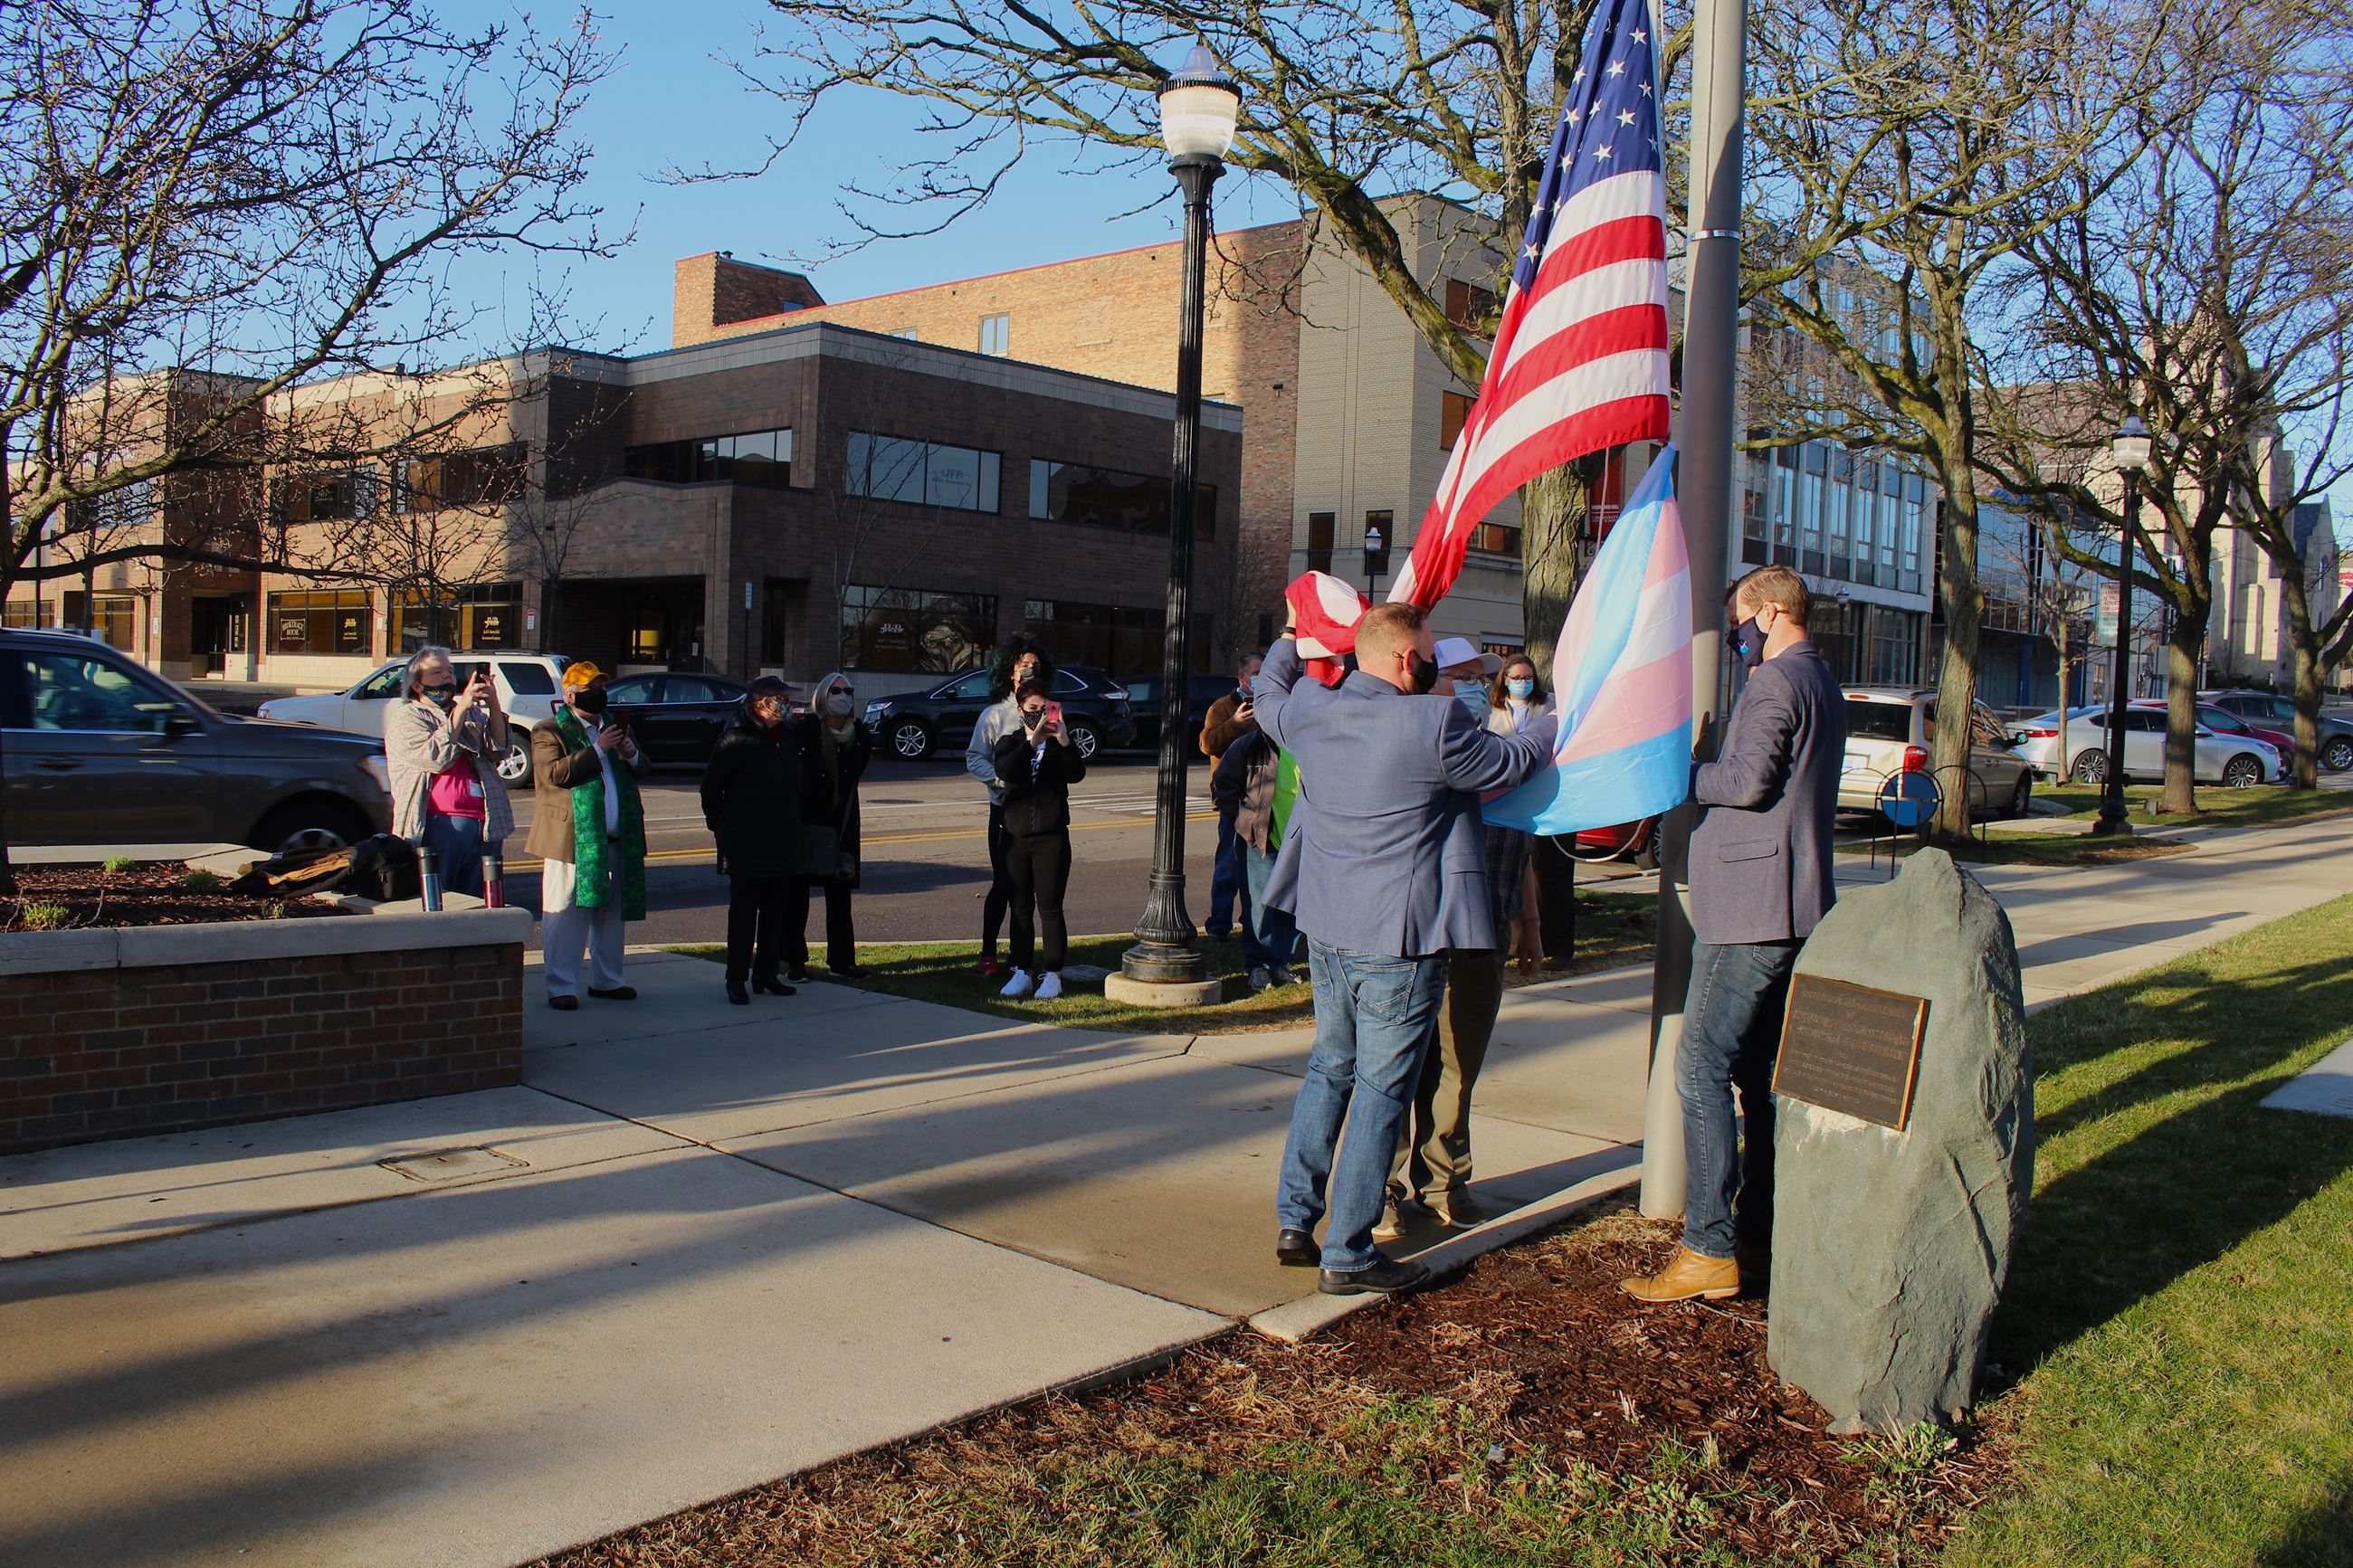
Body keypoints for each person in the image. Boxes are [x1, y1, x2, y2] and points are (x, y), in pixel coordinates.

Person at [1253, 601, 1557, 1297]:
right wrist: (1551, 722)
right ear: (1402, 660)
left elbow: (1268, 688)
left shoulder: (1310, 710)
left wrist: (1291, 636)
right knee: (1382, 1090)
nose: (1433, 664)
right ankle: (1350, 1250)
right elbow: (1513, 758)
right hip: (1400, 941)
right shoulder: (1435, 722)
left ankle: (1296, 1219)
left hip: (1328, 930)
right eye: (1425, 650)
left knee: (1330, 1066)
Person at [1623, 565, 1844, 1304]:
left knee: (1700, 1068)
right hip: (1791, 902)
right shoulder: (1819, 677)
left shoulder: (1777, 682)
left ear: (1773, 612)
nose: (1740, 637)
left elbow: (1749, 781)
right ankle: (1758, 1232)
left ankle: (1710, 1248)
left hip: (1752, 908)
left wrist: (1685, 773)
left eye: (1744, 620)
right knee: (1758, 1076)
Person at [1377, 641, 1539, 1240]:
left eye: (1482, 678)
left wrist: (1530, 921)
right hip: (1417, 930)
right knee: (1397, 1064)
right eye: (1464, 676)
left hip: (1484, 925)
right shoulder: (1409, 743)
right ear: (1426, 679)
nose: (1479, 686)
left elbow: (1522, 839)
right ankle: (1383, 1186)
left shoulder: (1496, 744)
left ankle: (1445, 1179)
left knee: (1459, 1062)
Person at [531, 662, 649, 1011]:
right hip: (572, 840)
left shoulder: (614, 727)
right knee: (566, 914)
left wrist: (630, 754)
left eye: (601, 687)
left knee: (612, 915)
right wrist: (597, 749)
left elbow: (643, 767)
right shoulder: (548, 730)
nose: (598, 694)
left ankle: (608, 980)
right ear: (570, 695)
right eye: (589, 688)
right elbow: (554, 774)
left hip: (616, 838)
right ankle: (562, 986)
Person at [701, 676, 804, 1005]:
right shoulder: (735, 739)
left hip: (782, 836)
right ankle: (736, 977)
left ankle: (766, 973)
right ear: (762, 703)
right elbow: (711, 789)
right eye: (782, 700)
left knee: (775, 912)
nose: (787, 706)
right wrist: (721, 826)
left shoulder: (786, 736)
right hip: (745, 838)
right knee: (744, 913)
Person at [384, 646, 511, 898]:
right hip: (440, 826)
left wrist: (494, 705)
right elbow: (436, 758)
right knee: (441, 903)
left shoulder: (469, 712)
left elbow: (499, 750)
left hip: (486, 824)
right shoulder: (407, 718)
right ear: (417, 686)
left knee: (479, 905)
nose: (448, 677)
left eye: (451, 671)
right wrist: (462, 709)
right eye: (437, 672)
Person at [990, 677, 1085, 1000]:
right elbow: (1006, 769)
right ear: (1021, 711)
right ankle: (1021, 970)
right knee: (1019, 907)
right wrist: (1031, 743)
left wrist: (1064, 740)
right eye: (1033, 710)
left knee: (1050, 908)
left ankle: (1053, 973)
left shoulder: (1060, 746)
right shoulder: (1010, 742)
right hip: (1016, 838)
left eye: (1045, 710)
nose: (1041, 716)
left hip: (1051, 837)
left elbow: (1076, 774)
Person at [965, 635, 1052, 981]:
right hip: (1004, 812)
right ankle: (988, 951)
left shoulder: (1050, 710)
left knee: (1032, 889)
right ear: (1009, 673)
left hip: (1040, 814)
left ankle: (1024, 959)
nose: (1030, 671)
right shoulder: (994, 714)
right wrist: (1002, 782)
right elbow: (975, 758)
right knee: (1004, 883)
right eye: (1023, 666)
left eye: (1036, 666)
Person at [786, 670, 872, 982]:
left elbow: (855, 773)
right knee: (797, 896)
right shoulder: (805, 731)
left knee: (840, 896)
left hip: (842, 824)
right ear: (822, 696)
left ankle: (842, 961)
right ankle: (795, 960)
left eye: (848, 692)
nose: (842, 697)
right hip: (808, 821)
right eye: (836, 691)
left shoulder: (859, 735)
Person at [1208, 719, 1298, 992]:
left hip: (1299, 843)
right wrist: (1242, 821)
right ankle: (1258, 965)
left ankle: (1280, 962)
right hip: (1261, 841)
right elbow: (1222, 784)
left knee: (1290, 906)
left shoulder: (1308, 744)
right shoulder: (1251, 745)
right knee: (1260, 906)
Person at [1197, 653, 1264, 940]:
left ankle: (1251, 921)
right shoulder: (1222, 708)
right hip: (1233, 797)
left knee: (1257, 867)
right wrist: (1235, 723)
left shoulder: (1269, 704)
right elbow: (1207, 744)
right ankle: (1219, 925)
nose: (1261, 678)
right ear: (1242, 678)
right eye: (1257, 672)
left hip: (1264, 796)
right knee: (1228, 864)